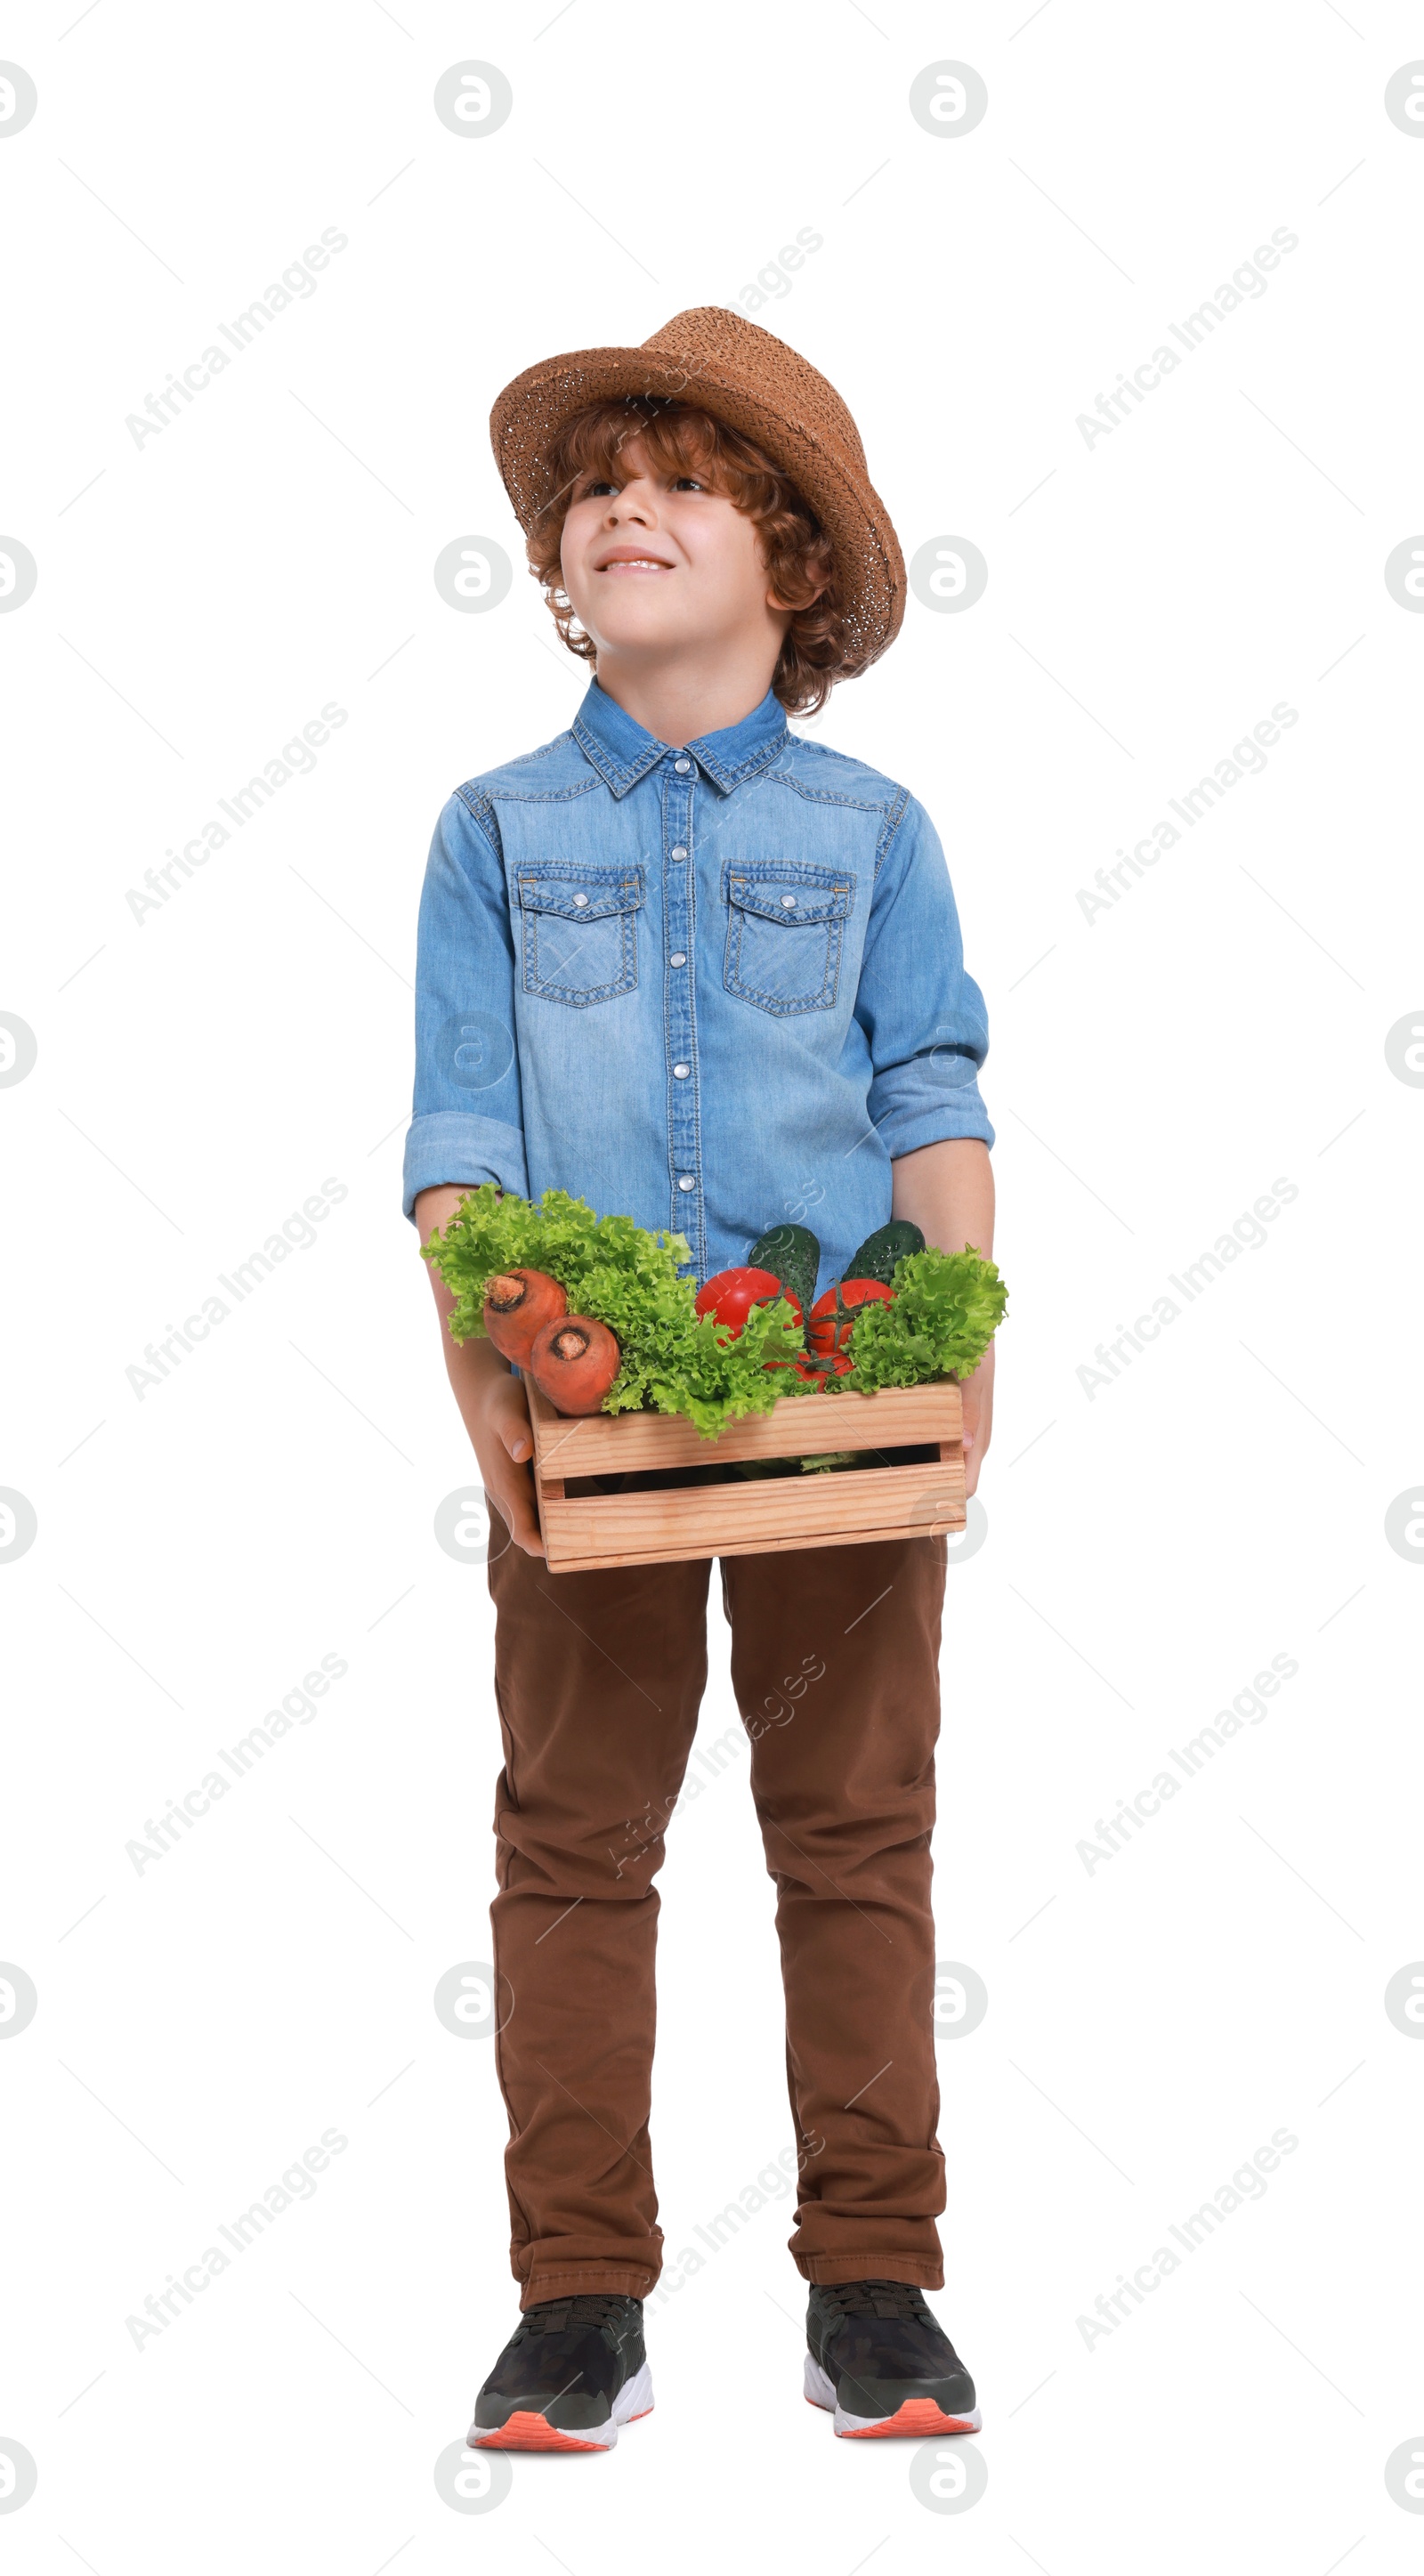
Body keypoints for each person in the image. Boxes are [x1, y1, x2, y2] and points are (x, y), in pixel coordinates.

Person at [403, 308, 996, 2450]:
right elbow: (460, 1130)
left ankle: (876, 2279)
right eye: (595, 484)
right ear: (561, 568)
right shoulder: (488, 828)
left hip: (835, 1403)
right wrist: (479, 1339)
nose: (620, 505)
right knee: (571, 1838)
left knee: (854, 1834)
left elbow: (928, 1081)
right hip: (585, 1420)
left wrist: (961, 1334)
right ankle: (576, 2298)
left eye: (684, 480)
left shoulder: (869, 831)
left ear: (794, 569)